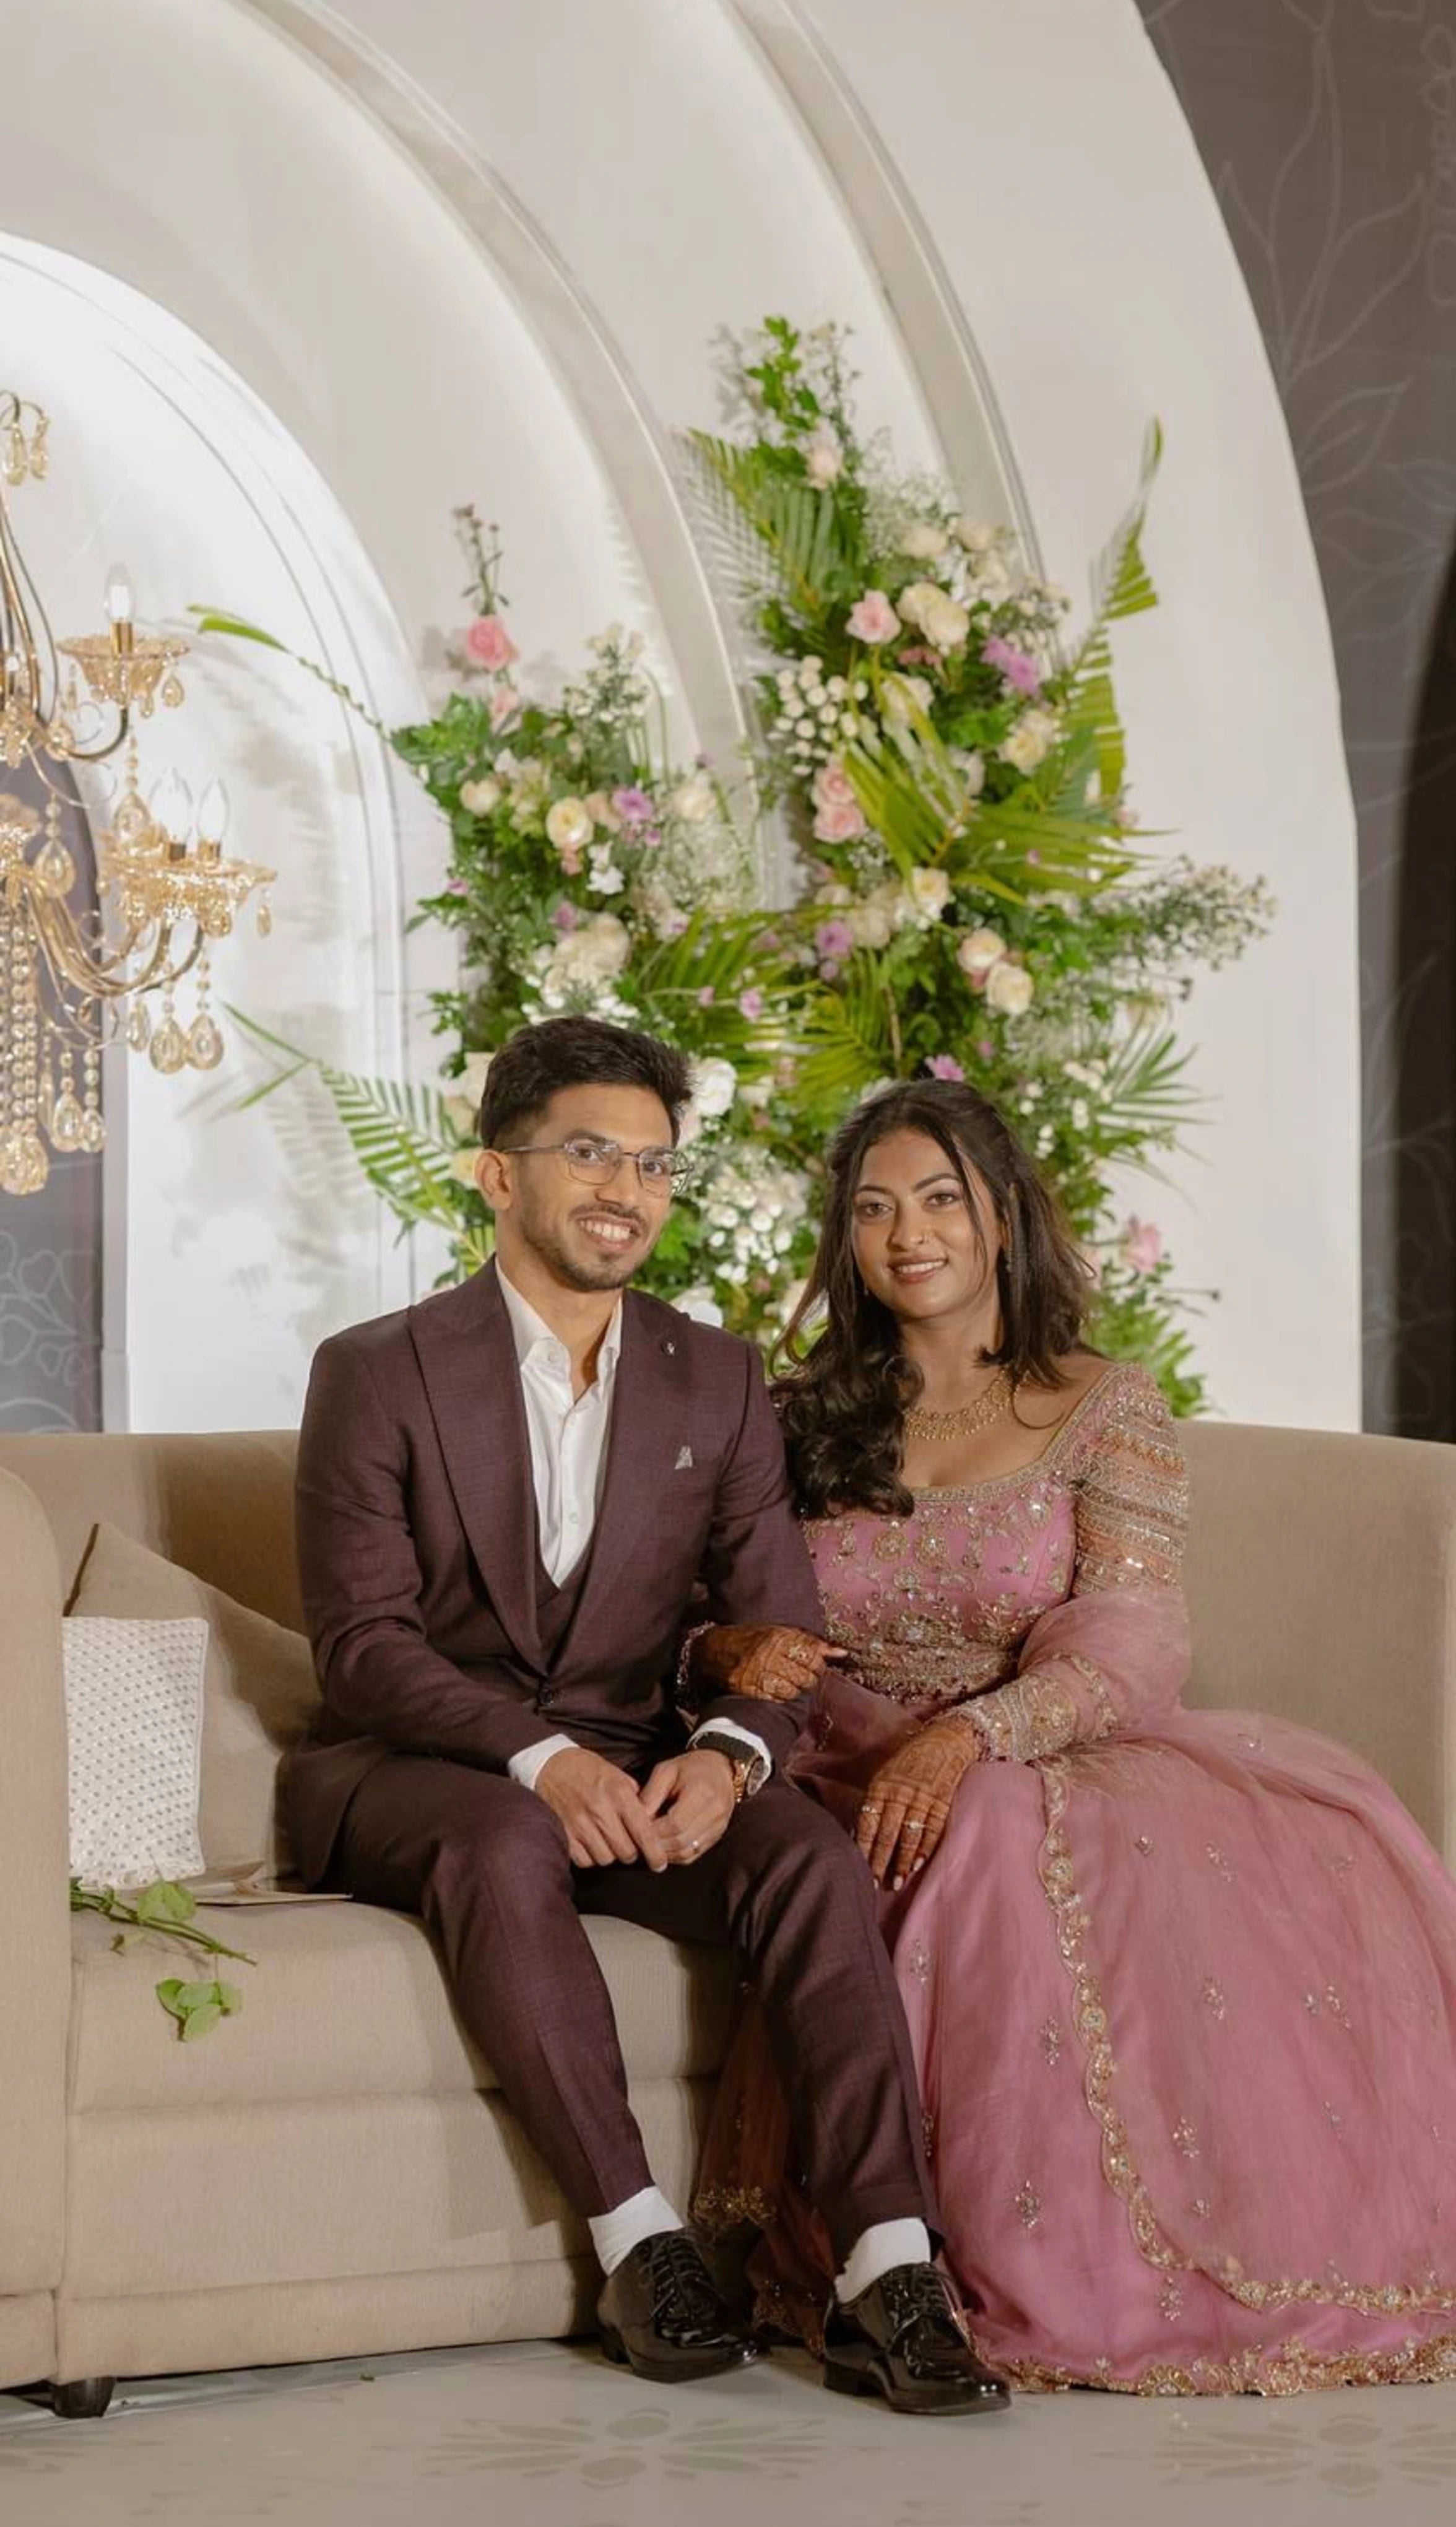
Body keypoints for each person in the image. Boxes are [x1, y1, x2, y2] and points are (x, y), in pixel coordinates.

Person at [688, 1079, 1456, 2391]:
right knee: (889, 1832)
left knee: (992, 1825)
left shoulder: (1097, 1404)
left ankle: (1007, 2278)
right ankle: (888, 2266)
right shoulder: (796, 1415)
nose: (907, 1232)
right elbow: (707, 1604)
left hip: (1029, 1754)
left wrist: (973, 1735)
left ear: (1003, 1222)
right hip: (825, 1757)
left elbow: (1132, 1634)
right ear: (843, 1243)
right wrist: (720, 1652)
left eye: (938, 1199)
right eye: (871, 1208)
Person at [282, 1016, 1007, 2417]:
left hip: (632, 1763)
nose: (626, 1188)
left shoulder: (717, 1378)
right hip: (417, 1765)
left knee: (803, 1850)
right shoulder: (374, 1368)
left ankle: (885, 2264)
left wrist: (730, 1760)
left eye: (655, 1163)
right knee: (500, 1838)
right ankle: (638, 2243)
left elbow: (777, 1638)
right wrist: (539, 1758)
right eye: (590, 1154)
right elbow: (364, 1649)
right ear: (497, 1175)